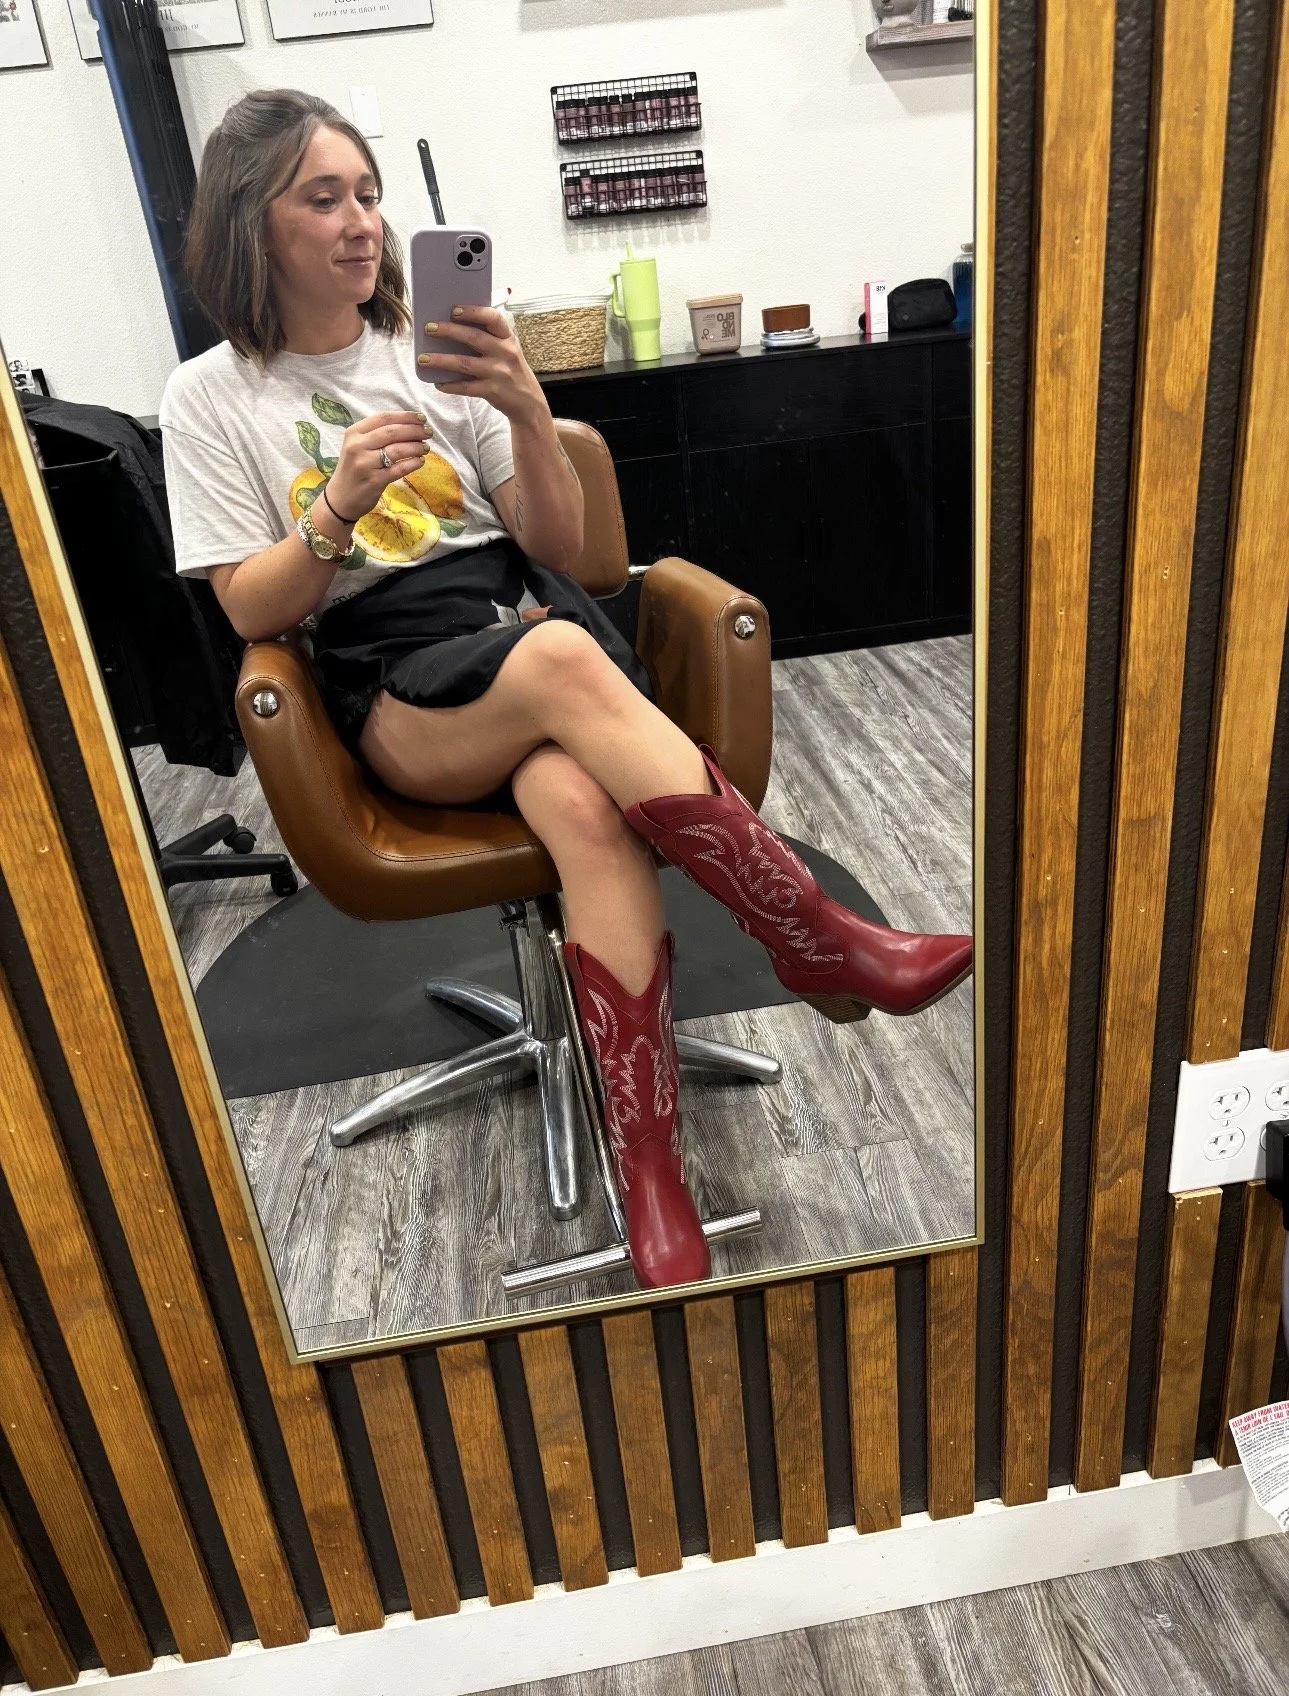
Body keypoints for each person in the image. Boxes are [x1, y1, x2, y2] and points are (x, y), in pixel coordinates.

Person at [160, 89, 973, 1292]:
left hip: (522, 626)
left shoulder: (438, 353)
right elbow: (247, 609)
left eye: (369, 194)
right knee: (556, 656)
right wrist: (333, 507)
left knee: (585, 805)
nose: (360, 224)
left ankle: (650, 1173)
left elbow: (562, 541)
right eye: (321, 198)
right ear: (249, 225)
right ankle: (808, 936)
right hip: (392, 684)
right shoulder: (210, 398)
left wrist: (525, 408)